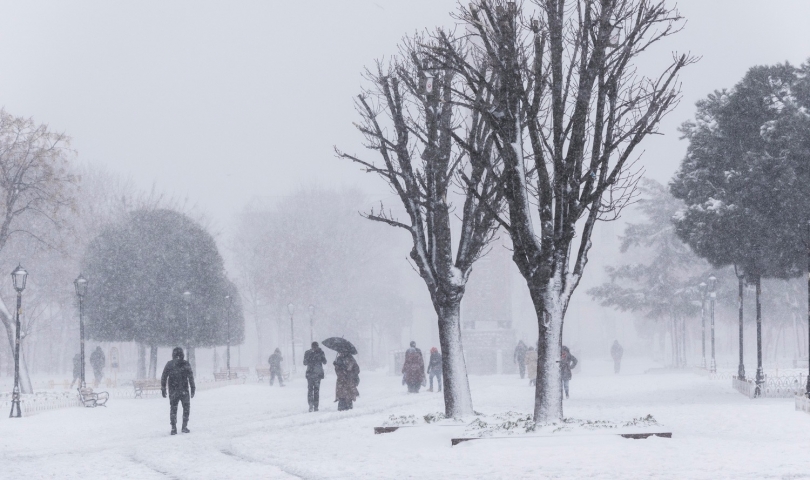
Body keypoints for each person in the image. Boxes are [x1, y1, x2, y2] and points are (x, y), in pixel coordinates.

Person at [160, 347, 196, 435]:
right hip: (184, 390)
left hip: (173, 390)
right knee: (186, 408)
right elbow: (190, 377)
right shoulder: (186, 364)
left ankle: (173, 428)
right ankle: (184, 426)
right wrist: (192, 388)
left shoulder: (169, 364)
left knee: (173, 409)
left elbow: (164, 377)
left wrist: (163, 388)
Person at [303, 341, 327, 412]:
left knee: (310, 390)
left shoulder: (307, 352)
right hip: (317, 374)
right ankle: (315, 406)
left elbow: (304, 362)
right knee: (316, 390)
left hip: (310, 374)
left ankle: (311, 405)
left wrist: (309, 358)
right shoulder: (320, 352)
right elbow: (325, 362)